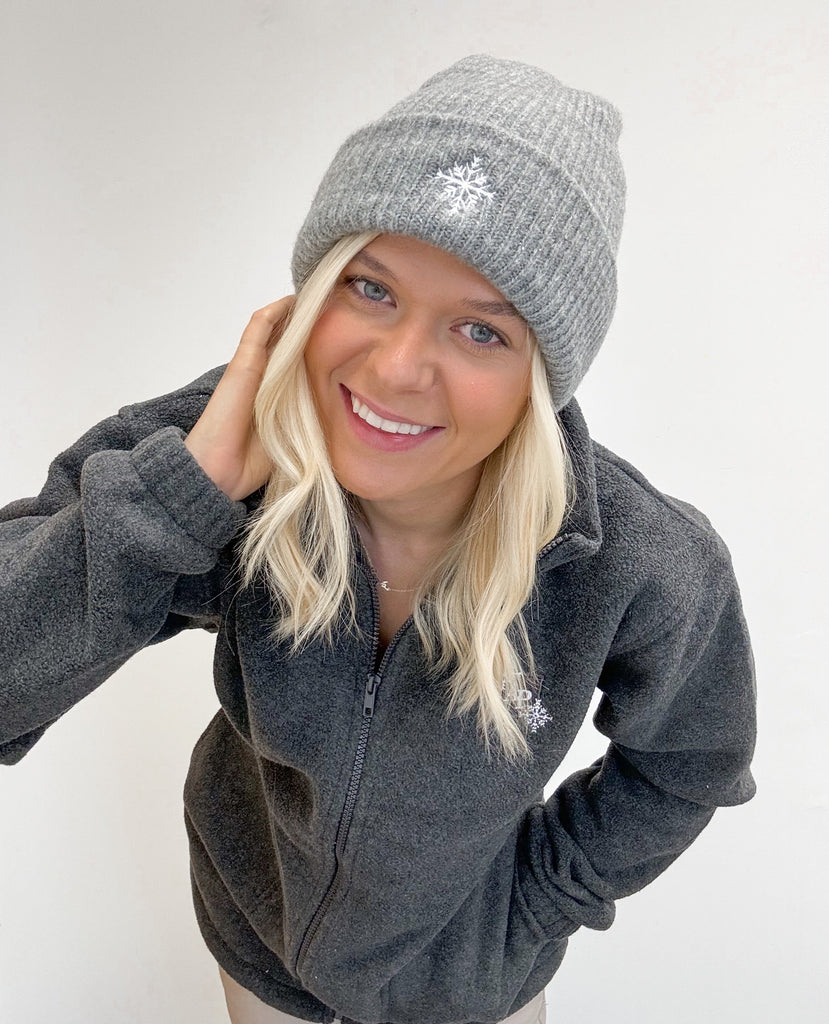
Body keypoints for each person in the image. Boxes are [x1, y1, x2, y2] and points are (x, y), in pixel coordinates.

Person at [0, 55, 756, 1024]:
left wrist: (525, 911)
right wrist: (186, 497)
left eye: (480, 332)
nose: (398, 368)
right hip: (258, 944)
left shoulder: (634, 560)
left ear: (542, 376)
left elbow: (691, 760)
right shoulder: (215, 454)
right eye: (370, 287)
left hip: (470, 989)